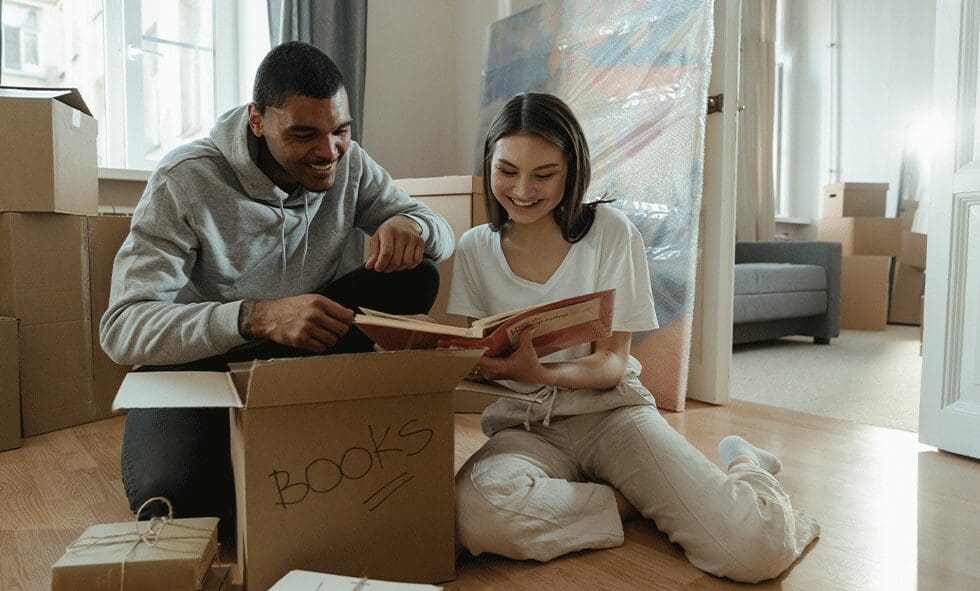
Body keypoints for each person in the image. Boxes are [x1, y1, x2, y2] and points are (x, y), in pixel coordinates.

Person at [448, 92, 819, 583]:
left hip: (611, 414)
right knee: (474, 513)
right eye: (507, 170)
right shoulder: (475, 248)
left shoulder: (609, 232)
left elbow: (612, 363)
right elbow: (469, 350)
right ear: (488, 163)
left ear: (572, 168)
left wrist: (542, 371)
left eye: (544, 174)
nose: (521, 190)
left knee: (754, 552)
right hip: (526, 427)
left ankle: (746, 465)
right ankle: (625, 501)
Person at [100, 41, 454, 540]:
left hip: (299, 348)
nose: (328, 152)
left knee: (419, 272)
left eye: (341, 131)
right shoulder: (185, 180)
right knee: (183, 509)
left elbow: (439, 226)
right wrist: (255, 316)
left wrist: (412, 227)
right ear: (258, 120)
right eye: (305, 134)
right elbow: (122, 328)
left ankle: (297, 407)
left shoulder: (346, 161)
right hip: (199, 362)